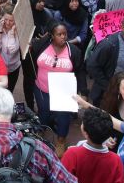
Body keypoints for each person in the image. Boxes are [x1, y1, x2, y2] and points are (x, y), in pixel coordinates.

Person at [31, 21, 87, 155]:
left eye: (65, 34)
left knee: (63, 117)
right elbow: (31, 56)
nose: (63, 37)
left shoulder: (73, 51)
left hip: (63, 92)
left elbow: (80, 72)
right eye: (59, 34)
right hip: (42, 89)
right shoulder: (42, 45)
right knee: (43, 111)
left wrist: (83, 92)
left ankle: (61, 140)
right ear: (51, 36)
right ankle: (42, 132)